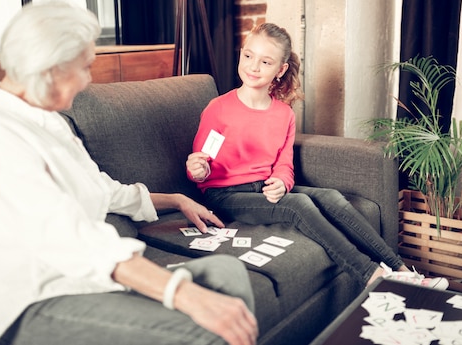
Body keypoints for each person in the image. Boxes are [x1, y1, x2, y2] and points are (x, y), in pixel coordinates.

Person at [0, 0, 258, 345]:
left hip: (84, 283)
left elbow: (102, 190)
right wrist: (181, 294)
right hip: (27, 304)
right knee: (205, 327)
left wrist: (176, 199)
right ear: (50, 68)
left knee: (226, 272)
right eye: (84, 67)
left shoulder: (47, 121)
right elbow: (65, 237)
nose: (88, 80)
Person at [186, 22, 448, 292]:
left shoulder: (283, 115)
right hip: (224, 195)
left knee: (332, 197)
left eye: (265, 62)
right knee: (298, 205)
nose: (253, 67)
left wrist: (281, 181)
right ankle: (371, 276)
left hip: (263, 189)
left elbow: (284, 164)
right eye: (248, 56)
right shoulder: (219, 109)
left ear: (281, 69)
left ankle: (403, 270)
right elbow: (201, 166)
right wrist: (198, 169)